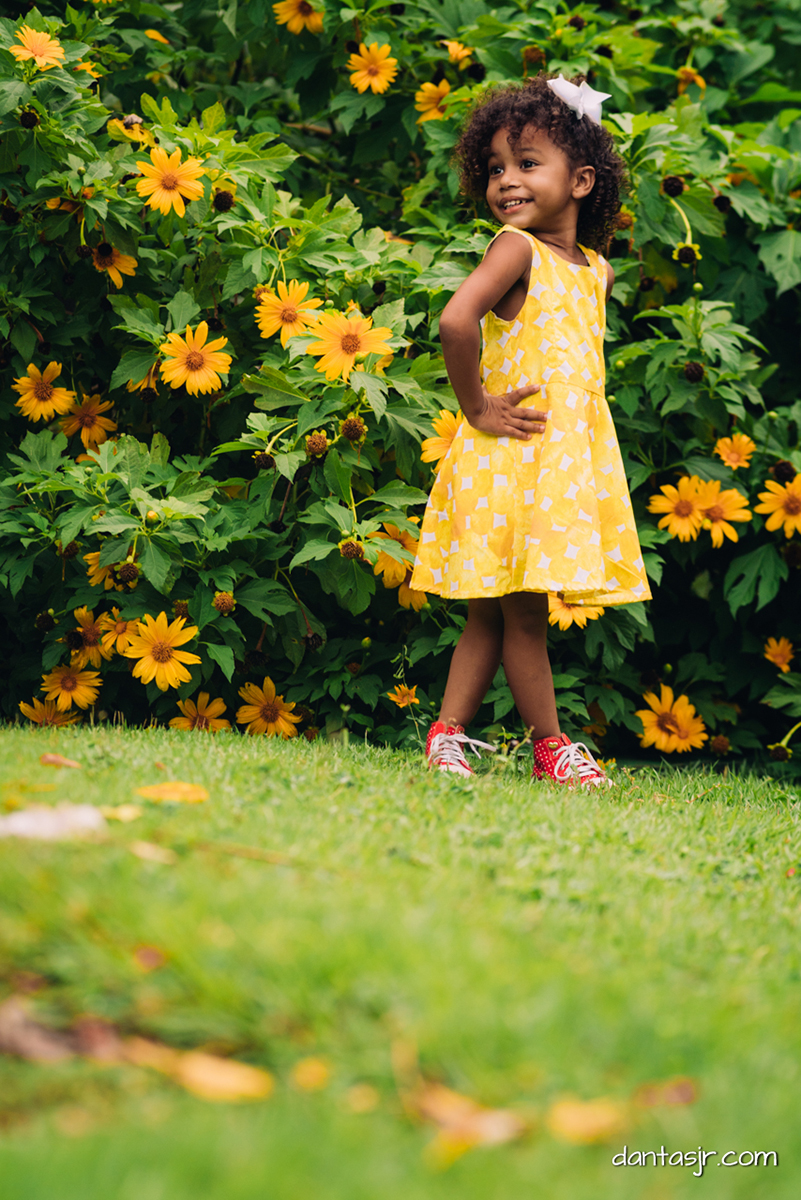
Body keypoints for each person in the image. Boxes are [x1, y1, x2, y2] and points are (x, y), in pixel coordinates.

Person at [410, 72, 651, 787]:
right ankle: (551, 747)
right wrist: (477, 407)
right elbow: (457, 321)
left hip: (554, 467)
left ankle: (446, 735)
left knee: (493, 615)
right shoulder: (516, 250)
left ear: (580, 181)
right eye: (494, 169)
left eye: (525, 163)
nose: (506, 181)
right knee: (522, 616)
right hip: (511, 457)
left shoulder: (596, 272)